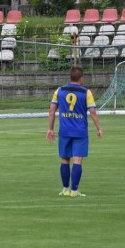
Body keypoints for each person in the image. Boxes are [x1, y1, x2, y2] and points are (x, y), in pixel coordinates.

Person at [47, 66, 103, 198]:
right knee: (77, 160)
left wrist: (50, 129)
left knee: (64, 159)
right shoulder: (86, 92)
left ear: (70, 77)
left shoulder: (59, 91)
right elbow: (93, 112)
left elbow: (51, 111)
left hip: (64, 130)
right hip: (80, 131)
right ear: (81, 79)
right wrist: (99, 128)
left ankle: (65, 189)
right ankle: (74, 191)